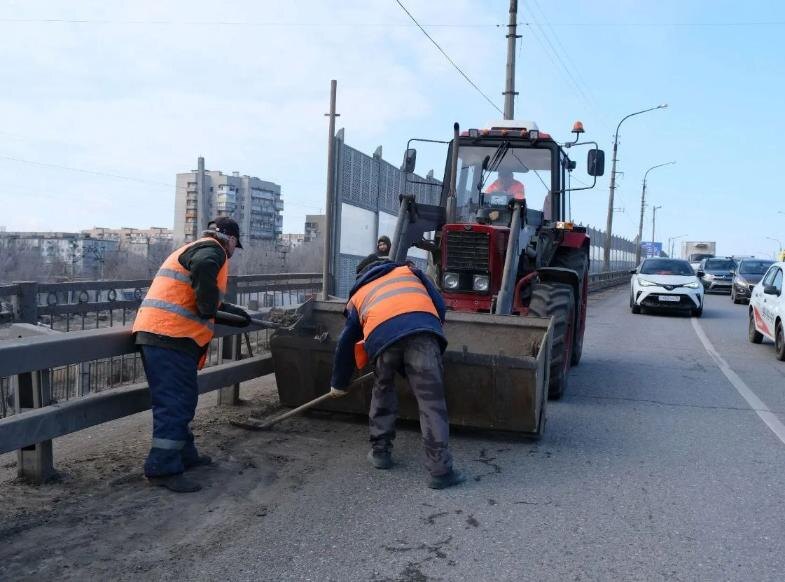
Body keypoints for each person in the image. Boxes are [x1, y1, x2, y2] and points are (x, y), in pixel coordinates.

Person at [132, 217, 251, 492]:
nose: (233, 250)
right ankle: (162, 468)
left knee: (181, 400)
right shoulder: (213, 251)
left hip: (164, 334)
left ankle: (185, 454)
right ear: (230, 239)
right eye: (235, 244)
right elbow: (204, 276)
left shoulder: (197, 246)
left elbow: (196, 291)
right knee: (175, 402)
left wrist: (229, 312)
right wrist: (209, 307)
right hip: (169, 336)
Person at [330, 259, 465, 489]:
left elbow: (346, 341)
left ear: (362, 275)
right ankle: (440, 471)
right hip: (423, 332)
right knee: (431, 403)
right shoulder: (409, 272)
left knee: (382, 389)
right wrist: (430, 330)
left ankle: (380, 453)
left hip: (383, 340)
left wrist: (339, 383)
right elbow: (439, 306)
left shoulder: (359, 294)